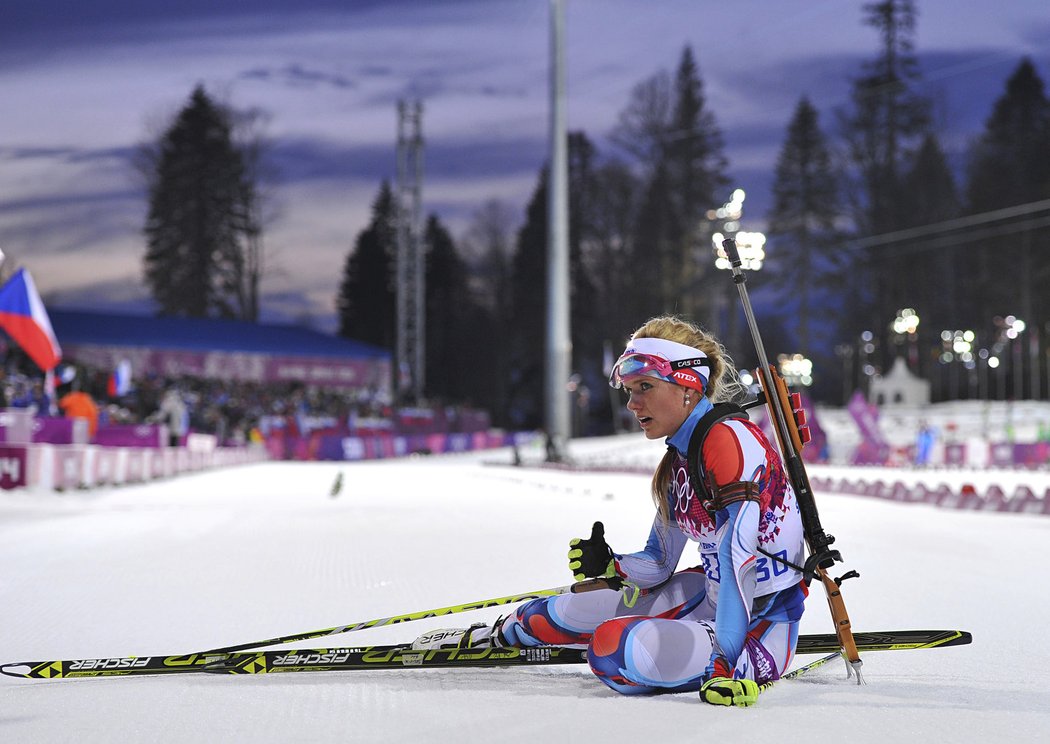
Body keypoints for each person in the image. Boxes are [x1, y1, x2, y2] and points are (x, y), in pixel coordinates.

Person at [414, 316, 807, 707]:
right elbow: (658, 561)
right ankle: (491, 638)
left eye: (645, 388)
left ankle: (698, 648)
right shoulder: (680, 459)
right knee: (542, 617)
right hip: (708, 597)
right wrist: (612, 565)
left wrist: (723, 664)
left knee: (610, 649)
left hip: (758, 623)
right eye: (630, 390)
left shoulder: (727, 441)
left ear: (688, 386)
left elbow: (739, 559)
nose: (633, 403)